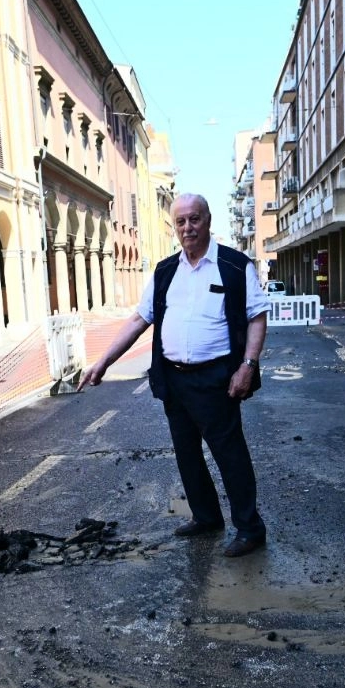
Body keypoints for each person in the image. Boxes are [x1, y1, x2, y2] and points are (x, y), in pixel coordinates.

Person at [77, 193, 270, 558]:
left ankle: (250, 528)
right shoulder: (165, 271)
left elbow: (257, 316)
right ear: (174, 227)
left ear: (208, 220)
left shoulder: (233, 265)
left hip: (217, 379)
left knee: (230, 454)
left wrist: (248, 365)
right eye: (180, 222)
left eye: (194, 219)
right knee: (187, 454)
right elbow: (139, 320)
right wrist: (103, 362)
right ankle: (206, 516)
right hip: (175, 379)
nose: (187, 227)